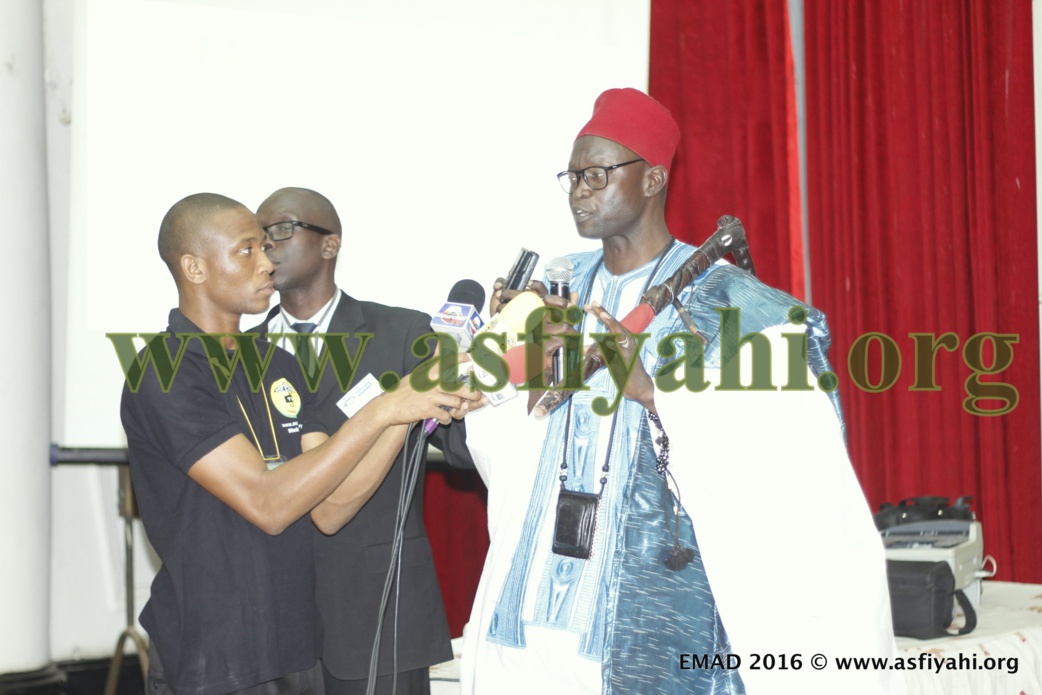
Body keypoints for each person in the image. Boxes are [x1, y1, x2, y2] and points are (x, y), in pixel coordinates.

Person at [459, 89, 903, 694]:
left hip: (649, 608)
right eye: (572, 175)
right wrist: (503, 361)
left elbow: (791, 447)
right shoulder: (550, 294)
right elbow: (495, 426)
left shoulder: (733, 304)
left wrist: (657, 395)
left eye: (597, 174)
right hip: (532, 617)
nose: (579, 190)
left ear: (654, 179)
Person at [120, 192, 480, 695]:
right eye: (247, 249)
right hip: (215, 655)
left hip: (299, 650)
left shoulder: (278, 365)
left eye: (265, 247)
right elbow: (268, 503)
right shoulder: (164, 371)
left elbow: (330, 508)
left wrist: (407, 409)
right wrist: (382, 408)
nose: (267, 261)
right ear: (194, 268)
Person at [249, 187, 473, 695]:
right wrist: (393, 408)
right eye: (258, 237)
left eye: (281, 229)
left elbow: (461, 449)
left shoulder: (404, 333)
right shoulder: (242, 356)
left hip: (379, 609)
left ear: (330, 245)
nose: (267, 245)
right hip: (274, 621)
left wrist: (484, 376)